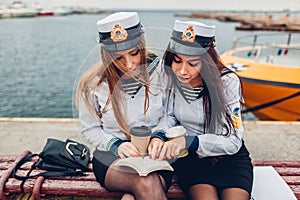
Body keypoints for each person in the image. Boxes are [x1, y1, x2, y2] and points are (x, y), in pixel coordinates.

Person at [149, 20, 253, 200]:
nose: (182, 71)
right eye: (177, 60)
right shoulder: (169, 75)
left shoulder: (227, 81)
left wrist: (190, 141)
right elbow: (169, 115)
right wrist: (158, 135)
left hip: (228, 158)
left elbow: (233, 141)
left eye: (193, 63)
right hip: (192, 159)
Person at [76, 12, 173, 200]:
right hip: (110, 157)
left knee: (131, 197)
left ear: (142, 46)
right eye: (118, 57)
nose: (129, 64)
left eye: (134, 53)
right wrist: (115, 146)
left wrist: (159, 136)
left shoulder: (163, 72)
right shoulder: (93, 84)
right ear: (106, 54)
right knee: (146, 182)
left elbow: (170, 115)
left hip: (155, 157)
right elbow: (90, 129)